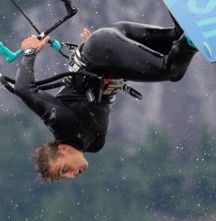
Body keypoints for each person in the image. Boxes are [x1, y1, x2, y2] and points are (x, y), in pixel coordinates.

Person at [12, 15, 197, 182]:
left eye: (64, 170)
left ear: (63, 149)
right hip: (108, 50)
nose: (71, 175)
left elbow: (23, 89)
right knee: (176, 38)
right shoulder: (95, 145)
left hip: (102, 51)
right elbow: (101, 95)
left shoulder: (63, 124)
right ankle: (180, 3)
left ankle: (191, 37)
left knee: (171, 70)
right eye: (65, 177)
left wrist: (30, 52)